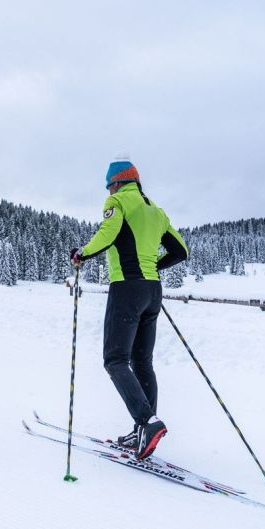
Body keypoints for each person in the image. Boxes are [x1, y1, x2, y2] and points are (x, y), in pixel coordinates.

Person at [70, 156, 188, 460]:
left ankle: (148, 422)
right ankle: (144, 429)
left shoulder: (118, 202)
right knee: (142, 361)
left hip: (127, 289)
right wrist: (153, 267)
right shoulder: (155, 210)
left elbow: (108, 234)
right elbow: (181, 250)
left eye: (109, 186)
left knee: (115, 360)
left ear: (118, 183)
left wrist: (82, 253)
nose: (108, 192)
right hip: (153, 291)